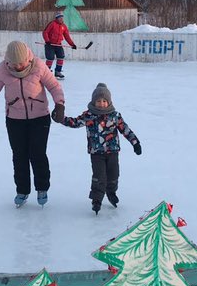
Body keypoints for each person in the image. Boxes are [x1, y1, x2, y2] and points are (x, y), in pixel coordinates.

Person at [0, 40, 65, 207]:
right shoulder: (2, 70)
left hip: (39, 118)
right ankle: (22, 190)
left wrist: (60, 104)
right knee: (19, 156)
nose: (18, 67)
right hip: (14, 120)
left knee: (38, 153)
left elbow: (54, 87)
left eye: (21, 63)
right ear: (8, 61)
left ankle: (42, 187)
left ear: (27, 58)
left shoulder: (39, 66)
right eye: (14, 64)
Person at [55, 82, 141, 214]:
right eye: (98, 101)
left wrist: (135, 143)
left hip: (112, 152)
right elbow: (75, 122)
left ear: (109, 102)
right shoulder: (89, 115)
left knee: (114, 175)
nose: (101, 103)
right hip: (96, 153)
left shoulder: (115, 116)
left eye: (104, 101)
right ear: (93, 101)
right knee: (99, 177)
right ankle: (96, 199)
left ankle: (111, 193)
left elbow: (125, 130)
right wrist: (61, 119)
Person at [42, 12, 77, 79]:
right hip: (50, 44)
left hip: (58, 44)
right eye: (59, 17)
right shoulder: (52, 24)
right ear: (57, 18)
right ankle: (46, 72)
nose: (61, 19)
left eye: (62, 17)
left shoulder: (63, 26)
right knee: (50, 58)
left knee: (61, 56)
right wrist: (47, 41)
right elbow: (45, 32)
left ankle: (58, 72)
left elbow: (67, 36)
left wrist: (72, 44)